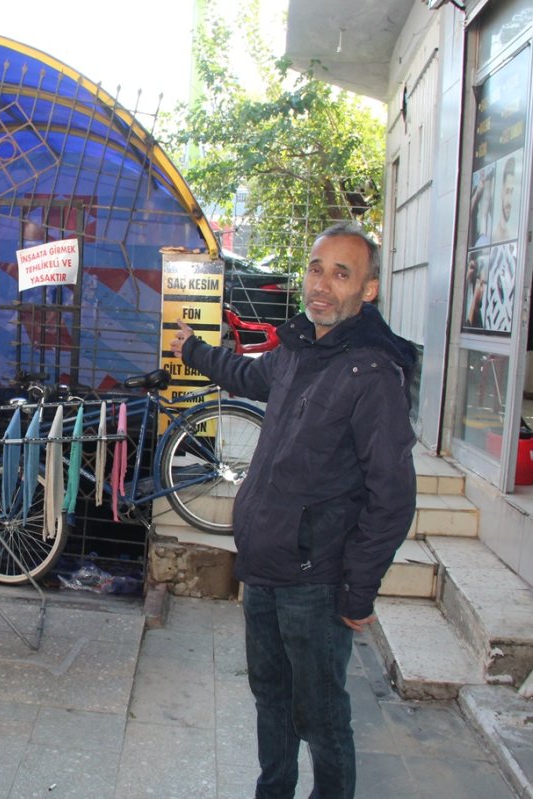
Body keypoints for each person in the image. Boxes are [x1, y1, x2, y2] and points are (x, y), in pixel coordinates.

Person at [169, 221, 417, 799]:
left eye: (341, 273)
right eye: (315, 268)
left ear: (368, 290)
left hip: (316, 578)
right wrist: (195, 350)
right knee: (270, 699)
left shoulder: (374, 374)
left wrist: (359, 591)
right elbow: (248, 374)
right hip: (265, 565)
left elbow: (393, 497)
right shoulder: (300, 348)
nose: (321, 285)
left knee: (322, 716)